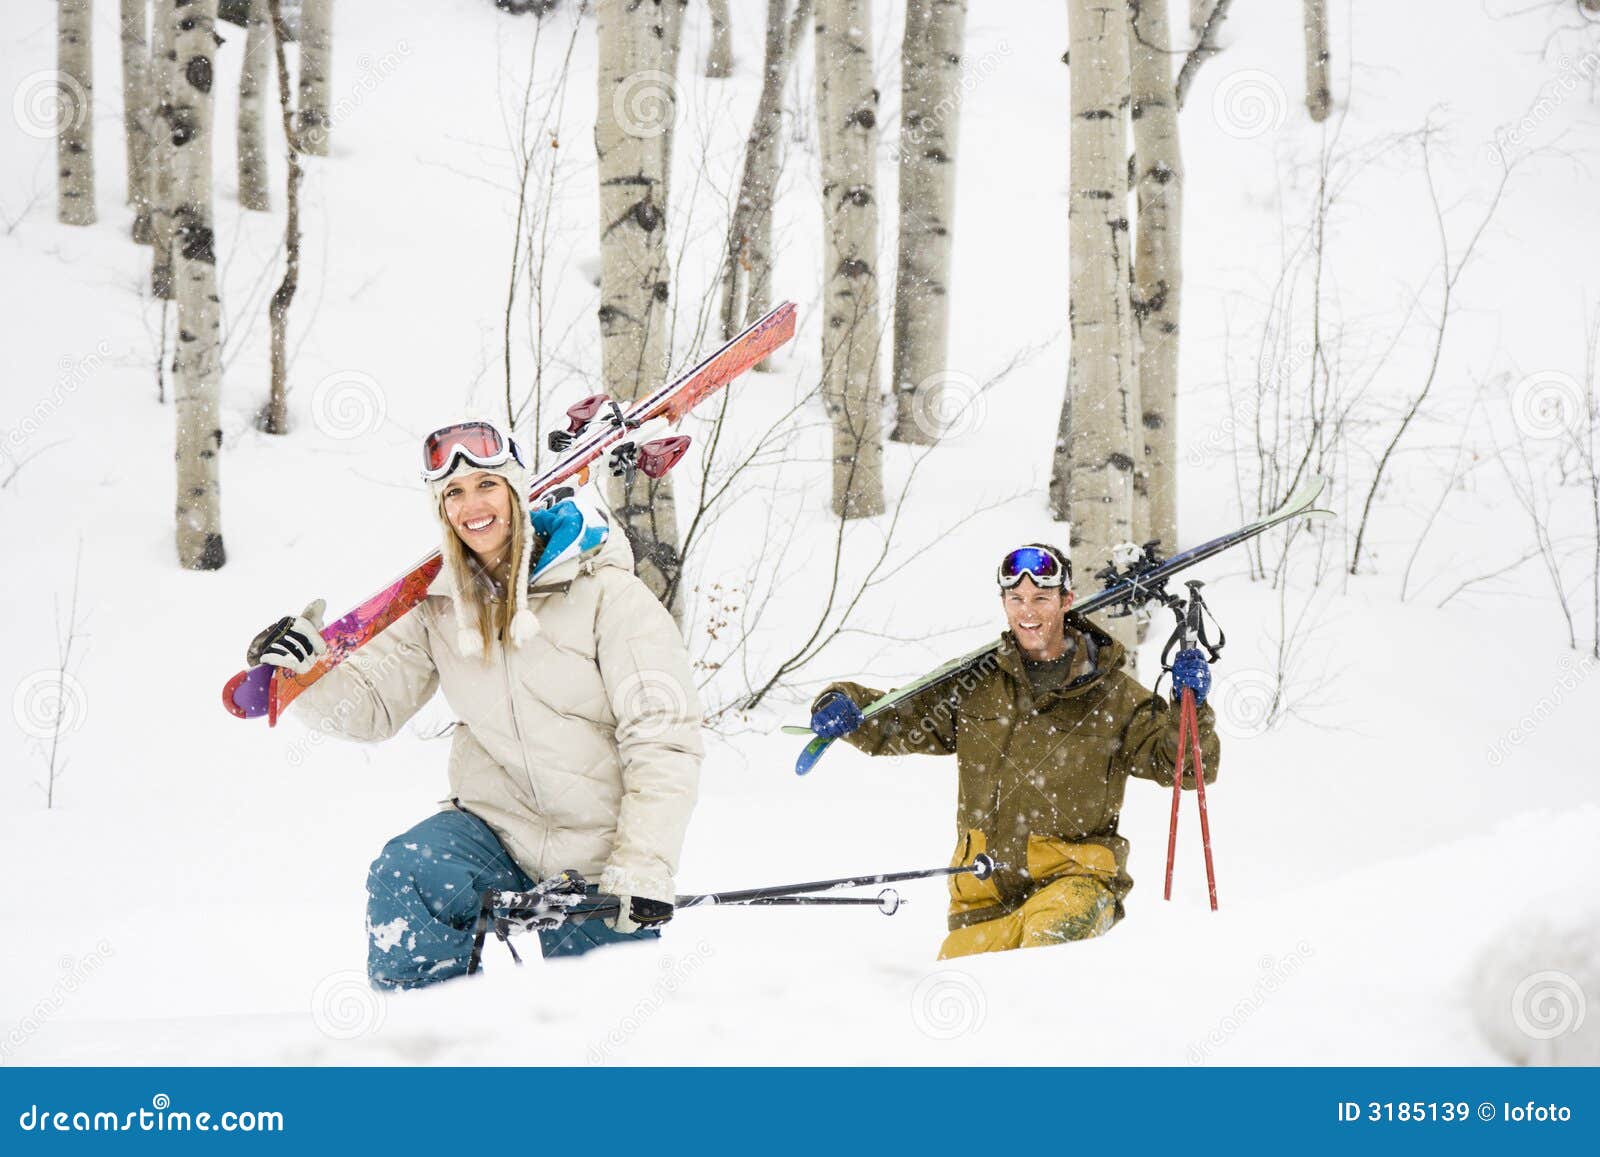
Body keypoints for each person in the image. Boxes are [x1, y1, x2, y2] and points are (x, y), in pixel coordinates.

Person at [244, 419, 702, 989]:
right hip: (493, 831)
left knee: (601, 1024)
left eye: (486, 485)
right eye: (453, 494)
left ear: (515, 493)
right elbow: (372, 709)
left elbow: (664, 738)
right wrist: (306, 675)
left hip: (599, 850)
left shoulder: (609, 595)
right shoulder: (437, 606)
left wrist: (642, 867)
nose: (471, 506)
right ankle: (424, 1046)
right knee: (407, 872)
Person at [807, 543, 1220, 959]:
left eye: (1041, 598)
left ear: (1066, 600)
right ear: (1003, 601)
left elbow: (1185, 767)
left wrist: (1193, 707)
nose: (1028, 612)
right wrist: (844, 704)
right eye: (1016, 599)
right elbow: (902, 722)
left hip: (1074, 883)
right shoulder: (976, 683)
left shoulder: (1112, 695)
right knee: (965, 996)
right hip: (982, 897)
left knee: (1041, 970)